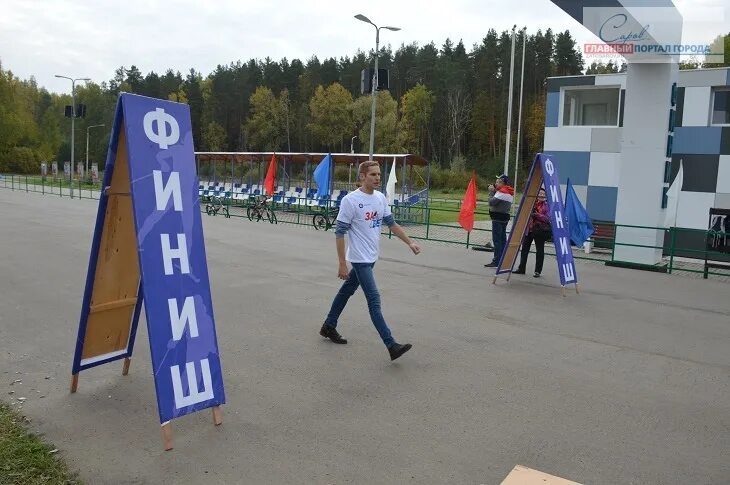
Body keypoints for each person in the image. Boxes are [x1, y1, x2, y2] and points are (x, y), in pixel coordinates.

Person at [319, 160, 421, 361]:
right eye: (373, 174)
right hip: (359, 259)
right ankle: (391, 344)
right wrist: (342, 263)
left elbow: (391, 223)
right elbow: (340, 233)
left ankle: (329, 326)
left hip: (372, 256)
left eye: (378, 175)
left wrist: (409, 242)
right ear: (362, 176)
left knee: (346, 291)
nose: (377, 178)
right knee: (374, 300)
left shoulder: (380, 198)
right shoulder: (350, 200)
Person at [513, 188, 550, 277]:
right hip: (529, 229)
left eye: (543, 193)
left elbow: (548, 218)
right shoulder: (532, 203)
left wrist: (537, 215)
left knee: (540, 250)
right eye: (539, 193)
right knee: (524, 249)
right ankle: (521, 268)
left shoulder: (547, 205)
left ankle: (537, 271)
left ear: (545, 195)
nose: (541, 195)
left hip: (539, 230)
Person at [484, 174, 514, 268]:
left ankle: (496, 261)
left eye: (498, 182)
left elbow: (491, 202)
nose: (496, 184)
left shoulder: (502, 192)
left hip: (498, 218)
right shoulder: (508, 191)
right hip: (503, 218)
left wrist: (491, 192)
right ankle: (502, 260)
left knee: (497, 240)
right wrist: (495, 190)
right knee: (502, 240)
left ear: (503, 183)